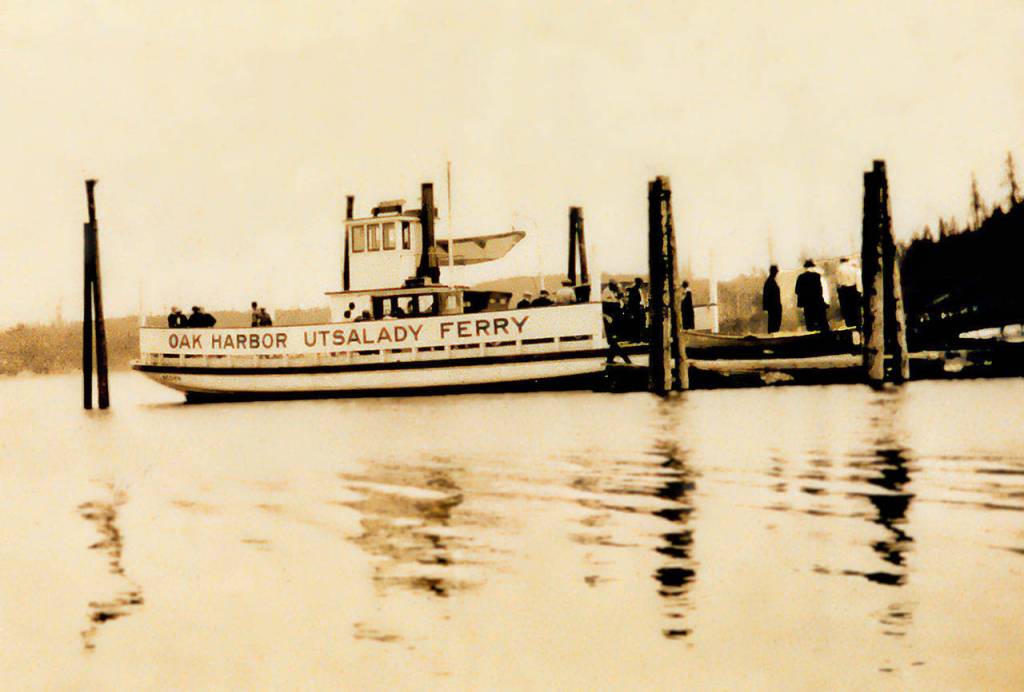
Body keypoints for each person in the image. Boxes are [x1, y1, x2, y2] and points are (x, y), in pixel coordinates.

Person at [795, 260, 828, 331]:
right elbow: (820, 290)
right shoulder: (817, 276)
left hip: (807, 303)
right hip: (817, 301)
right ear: (812, 267)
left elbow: (797, 291)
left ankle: (811, 331)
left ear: (805, 268)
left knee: (809, 318)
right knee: (821, 318)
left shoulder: (800, 277)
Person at [836, 256, 862, 328]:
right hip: (854, 289)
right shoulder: (853, 267)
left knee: (847, 308)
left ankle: (849, 324)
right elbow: (858, 279)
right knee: (856, 308)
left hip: (844, 290)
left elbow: (838, 282)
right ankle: (858, 323)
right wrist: (859, 291)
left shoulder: (839, 268)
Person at [762, 265, 782, 333]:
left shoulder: (770, 281)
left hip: (773, 307)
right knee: (774, 323)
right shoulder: (770, 282)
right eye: (776, 271)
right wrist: (766, 307)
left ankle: (773, 335)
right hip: (773, 307)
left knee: (774, 323)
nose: (777, 273)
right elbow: (766, 295)